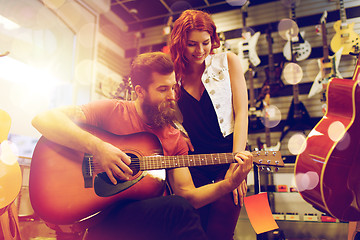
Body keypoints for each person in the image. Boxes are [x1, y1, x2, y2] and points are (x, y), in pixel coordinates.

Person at [31, 52, 253, 240]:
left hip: (139, 220)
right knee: (177, 210)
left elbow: (187, 196)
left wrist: (229, 183)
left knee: (178, 207)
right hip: (99, 218)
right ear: (140, 91)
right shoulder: (111, 110)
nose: (172, 96)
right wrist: (99, 148)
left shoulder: (173, 136)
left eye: (174, 88)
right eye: (163, 89)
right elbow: (43, 119)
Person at [169, 9, 249, 240]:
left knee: (221, 232)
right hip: (191, 164)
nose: (200, 50)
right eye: (192, 44)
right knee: (193, 231)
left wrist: (237, 162)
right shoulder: (172, 75)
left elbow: (241, 112)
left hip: (228, 158)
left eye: (206, 42)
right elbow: (164, 116)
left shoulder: (228, 61)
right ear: (179, 43)